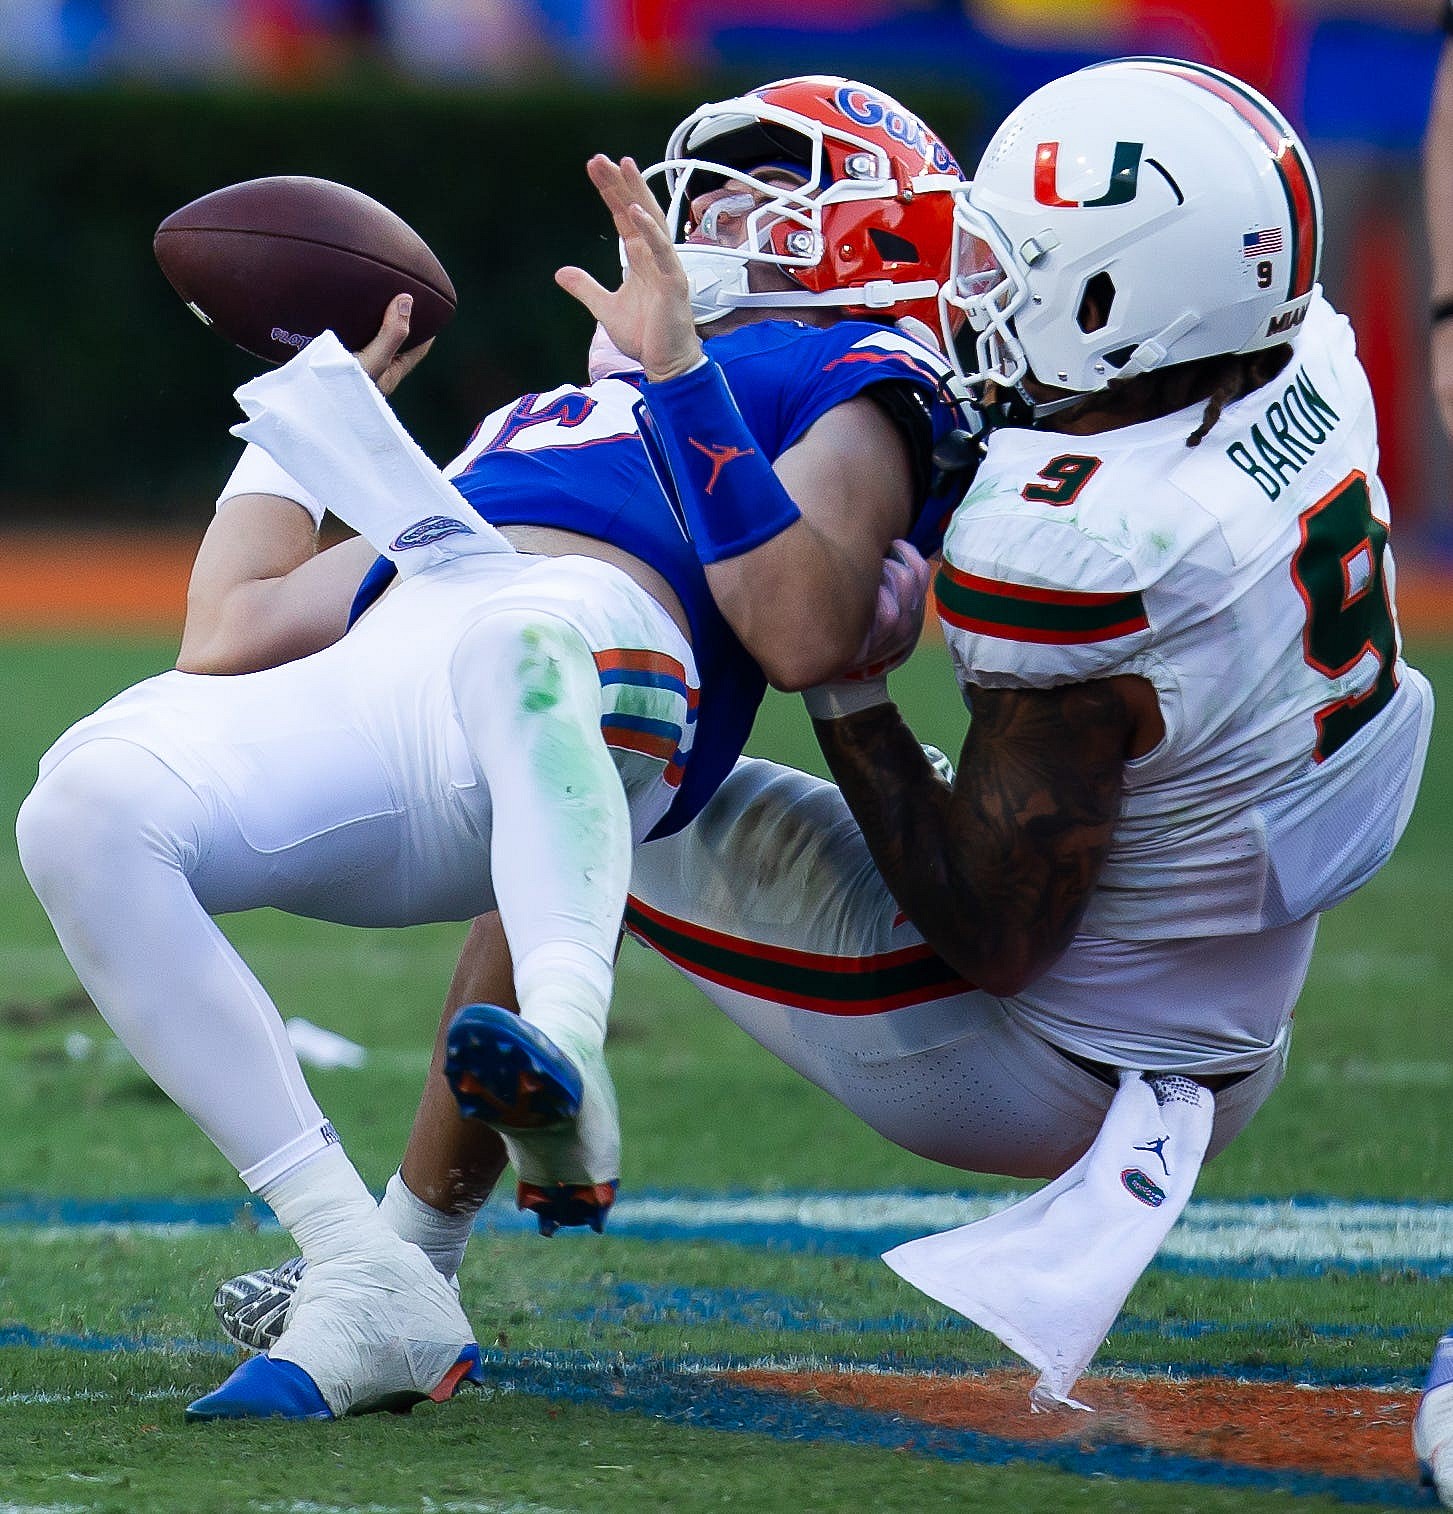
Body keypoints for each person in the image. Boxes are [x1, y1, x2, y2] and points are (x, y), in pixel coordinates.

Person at [220, 55, 1436, 1420]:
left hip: (1056, 1052)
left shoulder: (1074, 539)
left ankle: (399, 1268)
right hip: (1220, 990)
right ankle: (402, 1262)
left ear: (1121, 300)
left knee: (581, 774)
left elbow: (990, 928)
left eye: (1021, 269)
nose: (982, 293)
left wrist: (851, 691)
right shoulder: (1302, 355)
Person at [18, 75, 969, 1420]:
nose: (706, 206)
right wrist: (310, 402)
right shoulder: (538, 419)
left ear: (878, 233)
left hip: (595, 664)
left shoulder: (852, 373)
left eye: (767, 182)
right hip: (430, 657)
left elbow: (802, 624)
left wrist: (690, 373)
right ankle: (362, 1273)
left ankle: (563, 1070)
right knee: (82, 800)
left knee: (522, 643)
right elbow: (226, 627)